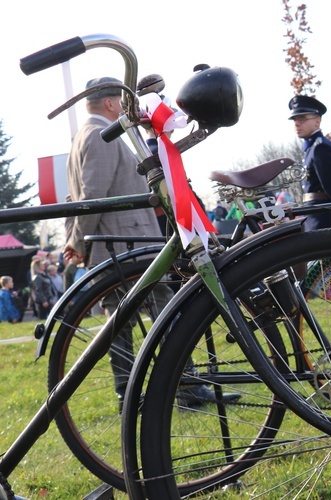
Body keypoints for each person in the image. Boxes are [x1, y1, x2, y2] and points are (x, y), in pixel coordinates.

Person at [64, 77, 236, 408]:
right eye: (122, 102)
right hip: (125, 243)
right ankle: (179, 386)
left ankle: (132, 394)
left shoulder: (85, 135)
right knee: (162, 310)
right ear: (112, 104)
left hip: (118, 243)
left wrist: (78, 241)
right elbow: (91, 197)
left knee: (123, 322)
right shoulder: (100, 137)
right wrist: (79, 243)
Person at [289, 95, 331, 230]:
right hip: (315, 218)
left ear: (317, 121)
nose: (296, 123)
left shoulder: (321, 148)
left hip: (325, 220)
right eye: (295, 119)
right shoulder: (311, 148)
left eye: (302, 119)